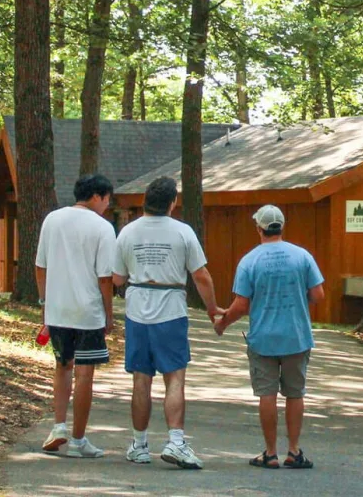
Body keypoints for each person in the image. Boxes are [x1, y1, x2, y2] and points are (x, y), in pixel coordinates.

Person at [111, 177, 219, 469]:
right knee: (174, 377)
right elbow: (201, 276)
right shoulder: (183, 232)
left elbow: (117, 278)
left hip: (136, 309)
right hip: (170, 308)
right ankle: (176, 441)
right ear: (173, 203)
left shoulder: (127, 232)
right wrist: (212, 309)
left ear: (145, 197)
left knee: (141, 379)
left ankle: (139, 444)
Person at [213, 205, 322, 470]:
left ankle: (271, 453)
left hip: (263, 338)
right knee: (295, 394)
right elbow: (318, 295)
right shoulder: (302, 256)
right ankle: (294, 451)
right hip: (296, 335)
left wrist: (222, 323)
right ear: (282, 227)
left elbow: (241, 304)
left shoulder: (250, 260)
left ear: (259, 228)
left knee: (267, 394)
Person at [36, 174, 117, 458]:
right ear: (97, 196)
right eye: (107, 199)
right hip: (88, 311)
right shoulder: (103, 228)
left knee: (62, 366)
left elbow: (40, 266)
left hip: (57, 310)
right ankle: (79, 440)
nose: (107, 205)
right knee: (85, 374)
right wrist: (109, 313)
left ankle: (58, 427)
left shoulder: (52, 220)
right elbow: (105, 277)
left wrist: (45, 303)